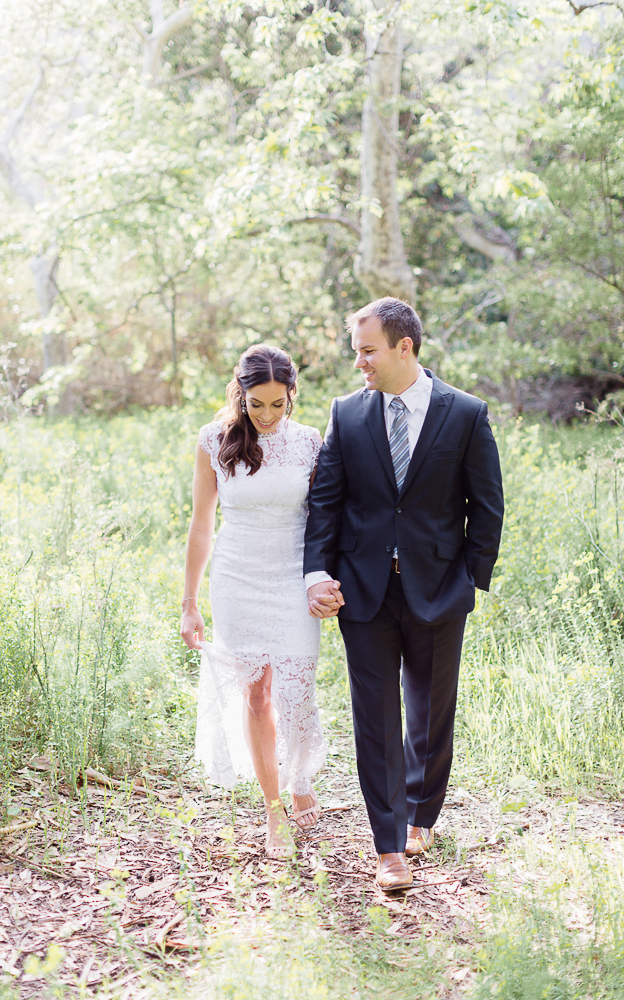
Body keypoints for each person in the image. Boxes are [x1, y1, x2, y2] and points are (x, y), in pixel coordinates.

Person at [303, 297, 504, 892]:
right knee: (375, 717)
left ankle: (422, 814)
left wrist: (470, 578)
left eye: (367, 351)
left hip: (440, 588)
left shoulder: (465, 414)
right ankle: (387, 844)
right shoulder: (347, 413)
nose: (358, 362)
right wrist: (318, 572)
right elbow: (326, 503)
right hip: (362, 592)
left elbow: (486, 505)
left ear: (403, 347)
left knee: (429, 715)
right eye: (357, 351)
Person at [180, 344, 338, 859]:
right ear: (240, 395)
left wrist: (325, 578)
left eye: (278, 404)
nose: (267, 416)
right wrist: (189, 601)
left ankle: (299, 777)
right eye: (256, 405)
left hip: (292, 576)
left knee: (296, 691)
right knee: (256, 693)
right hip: (237, 577)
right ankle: (274, 810)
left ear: (292, 395)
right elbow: (202, 524)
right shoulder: (213, 440)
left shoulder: (310, 443)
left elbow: (325, 519)